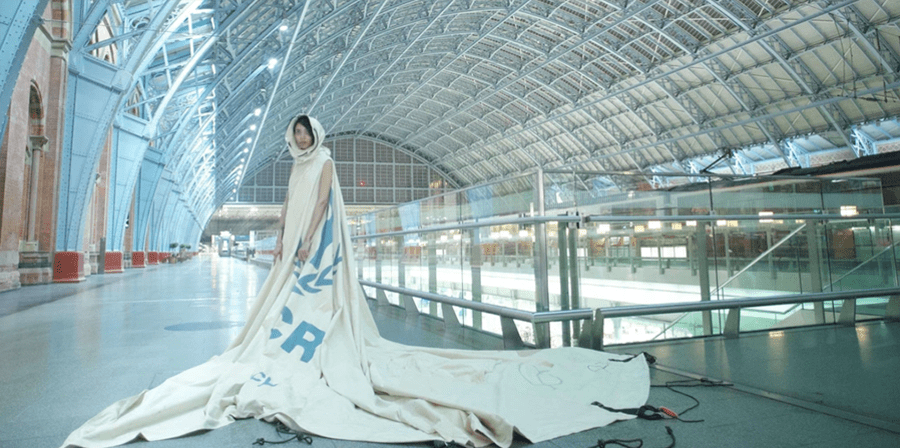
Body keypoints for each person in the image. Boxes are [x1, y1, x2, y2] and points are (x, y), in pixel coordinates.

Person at [61, 114, 650, 448]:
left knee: (317, 312)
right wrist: (281, 237)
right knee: (281, 310)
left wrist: (305, 240)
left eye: (304, 133)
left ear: (314, 136)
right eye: (295, 135)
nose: (300, 140)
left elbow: (319, 206)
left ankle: (312, 348)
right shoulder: (296, 165)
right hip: (292, 244)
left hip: (315, 248)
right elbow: (289, 205)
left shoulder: (323, 163)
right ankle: (290, 347)